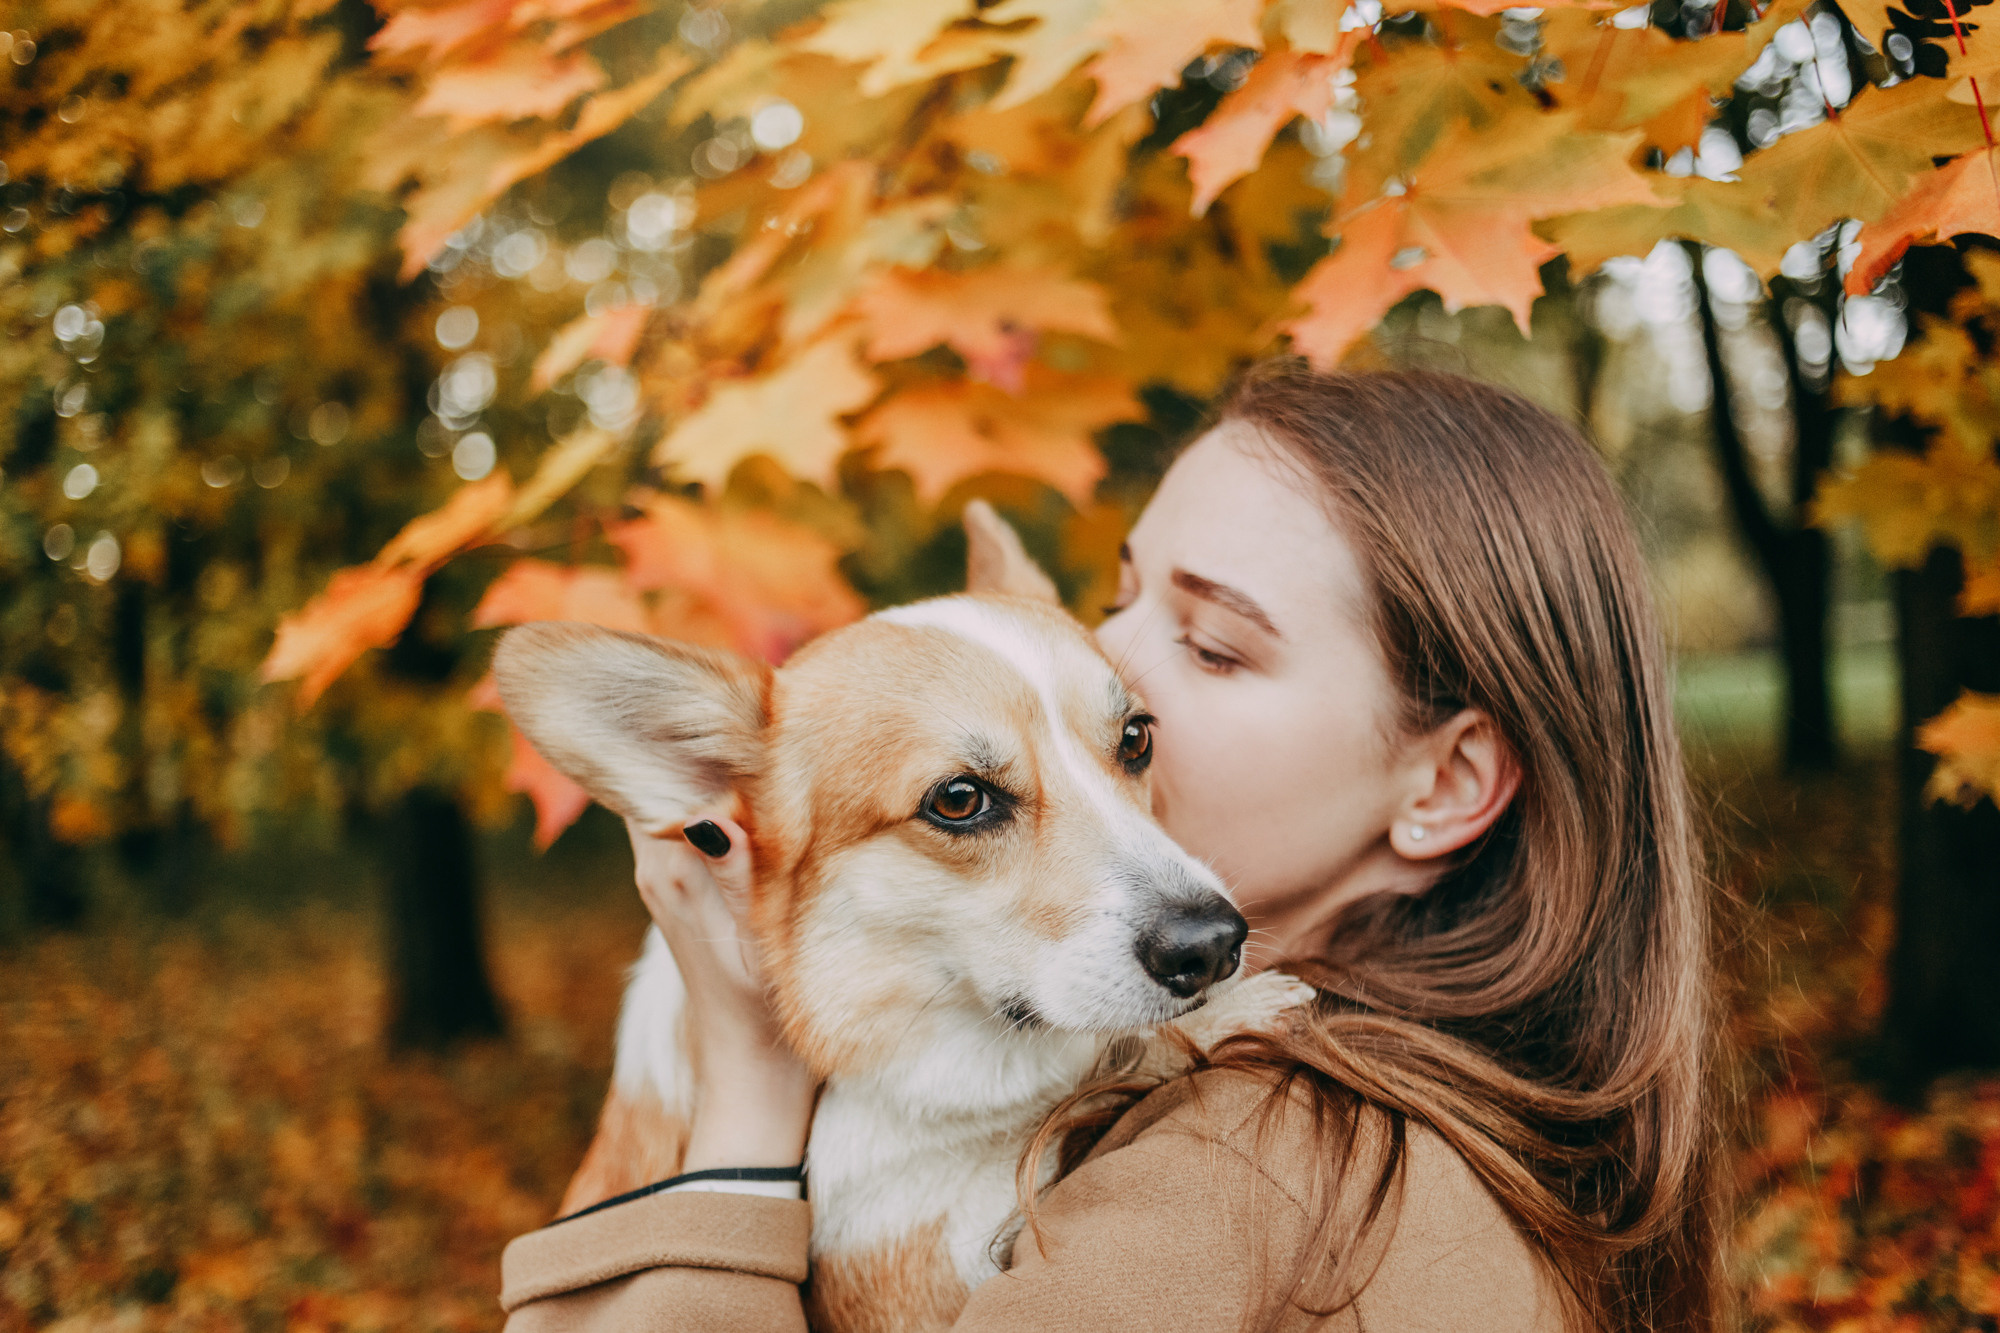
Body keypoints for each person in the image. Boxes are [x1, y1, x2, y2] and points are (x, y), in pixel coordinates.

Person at [497, 362, 1723, 1333]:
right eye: (1122, 592)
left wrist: (743, 1112)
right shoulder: (1506, 1098)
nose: (1105, 656)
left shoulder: (1248, 1177)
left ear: (1444, 781)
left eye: (1210, 645)